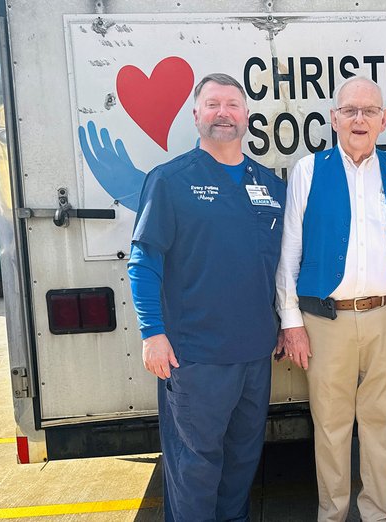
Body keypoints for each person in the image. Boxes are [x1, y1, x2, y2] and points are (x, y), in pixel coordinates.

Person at [276, 76, 386, 522]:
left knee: (380, 422)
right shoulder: (308, 170)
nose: (359, 119)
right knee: (329, 426)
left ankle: (377, 514)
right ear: (334, 118)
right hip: (326, 321)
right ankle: (332, 513)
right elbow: (290, 251)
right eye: (350, 110)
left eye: (369, 110)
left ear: (384, 119)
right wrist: (291, 322)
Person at [127, 73, 286, 522]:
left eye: (232, 105)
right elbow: (143, 263)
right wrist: (152, 333)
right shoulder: (170, 181)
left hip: (255, 355)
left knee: (241, 464)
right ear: (195, 114)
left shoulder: (271, 187)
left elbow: (284, 266)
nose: (223, 113)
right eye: (212, 104)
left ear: (247, 116)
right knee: (194, 470)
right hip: (194, 358)